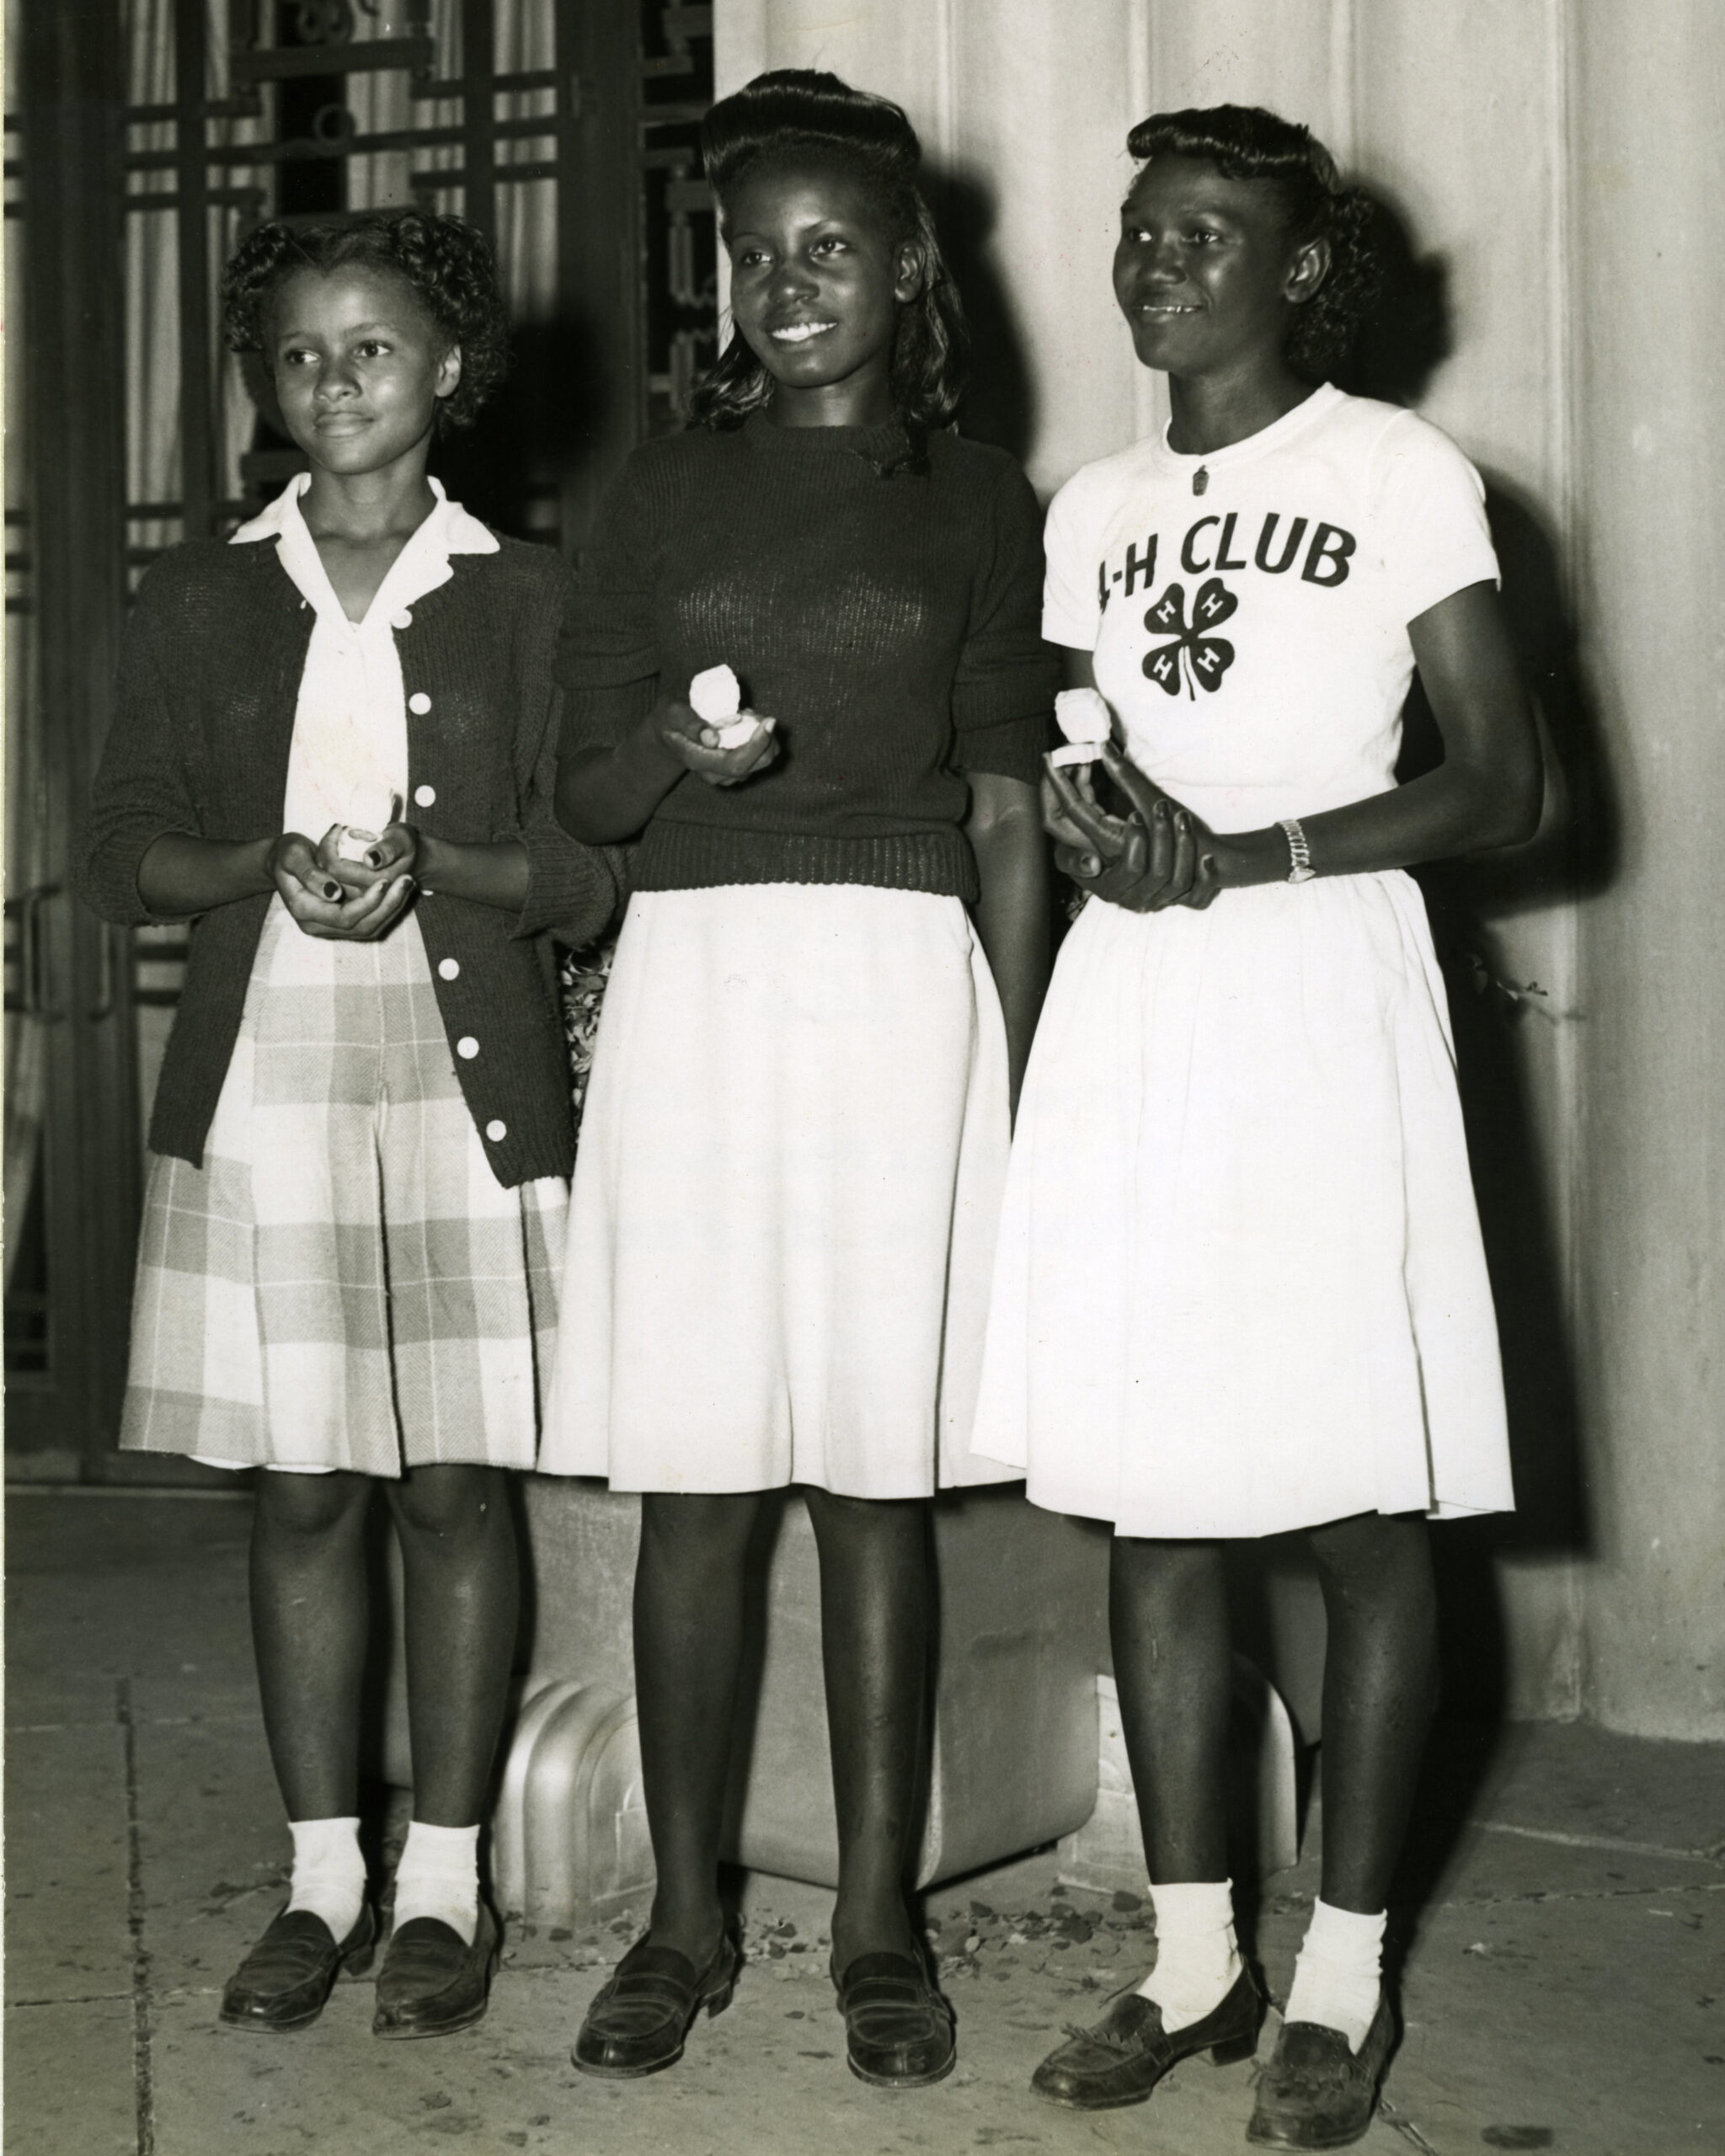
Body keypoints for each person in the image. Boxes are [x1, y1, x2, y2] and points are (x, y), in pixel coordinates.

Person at [970, 105, 1540, 2149]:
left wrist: (1253, 854)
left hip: (1313, 980)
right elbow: (1081, 775)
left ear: (1301, 269)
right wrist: (1090, 846)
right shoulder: (1089, 505)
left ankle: (1344, 1971)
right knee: (1154, 1503)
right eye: (1137, 229)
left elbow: (1510, 788)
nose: (1153, 259)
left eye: (1202, 231)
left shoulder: (1396, 470)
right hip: (1143, 1002)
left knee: (1357, 1518)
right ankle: (1192, 1952)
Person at [541, 69, 1055, 2092]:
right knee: (696, 1478)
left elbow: (1010, 804)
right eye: (750, 255)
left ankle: (873, 1918)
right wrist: (665, 736)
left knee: (873, 1487)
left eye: (828, 247)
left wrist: (1023, 1058)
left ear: (909, 264)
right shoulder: (662, 489)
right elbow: (577, 789)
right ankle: (683, 1914)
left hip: (904, 990)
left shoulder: (982, 499)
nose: (784, 286)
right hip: (695, 988)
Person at [75, 209, 621, 2041]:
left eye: (373, 347)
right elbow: (118, 847)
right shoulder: (200, 594)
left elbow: (586, 862)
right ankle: (323, 1872)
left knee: (457, 1479)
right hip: (270, 1084)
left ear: (452, 368)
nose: (335, 383)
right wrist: (261, 868)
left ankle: (447, 1881)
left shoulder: (537, 594)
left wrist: (436, 869)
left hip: (459, 1087)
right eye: (300, 354)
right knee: (305, 1483)